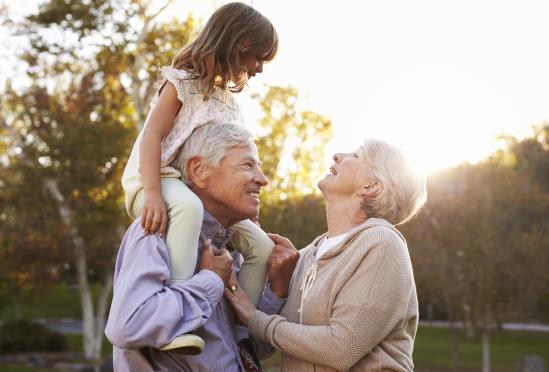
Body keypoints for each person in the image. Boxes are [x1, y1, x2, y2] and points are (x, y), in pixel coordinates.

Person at [121, 2, 278, 352]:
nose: (260, 69)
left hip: (193, 186)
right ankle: (177, 321)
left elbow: (229, 156)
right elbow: (151, 138)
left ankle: (240, 326)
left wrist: (243, 200)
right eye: (258, 57)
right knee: (189, 210)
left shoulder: (227, 101)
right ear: (238, 45)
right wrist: (152, 192)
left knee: (260, 245)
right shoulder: (181, 84)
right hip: (157, 176)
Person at [106, 123, 299, 371]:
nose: (263, 180)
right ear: (198, 170)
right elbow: (128, 326)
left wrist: (278, 289)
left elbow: (247, 348)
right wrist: (209, 280)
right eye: (247, 165)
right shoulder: (155, 230)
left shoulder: (231, 250)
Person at [225, 139, 428, 371]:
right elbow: (260, 346)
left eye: (357, 155)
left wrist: (252, 316)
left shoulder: (382, 244)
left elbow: (341, 348)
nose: (337, 155)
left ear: (371, 187)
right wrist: (278, 285)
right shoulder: (307, 256)